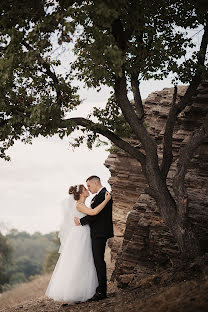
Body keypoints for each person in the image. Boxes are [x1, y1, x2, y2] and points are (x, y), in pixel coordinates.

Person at [45, 184, 111, 304]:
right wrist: (106, 200)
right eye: (85, 189)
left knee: (84, 261)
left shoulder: (82, 204)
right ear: (80, 193)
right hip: (81, 235)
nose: (87, 190)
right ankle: (76, 292)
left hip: (83, 233)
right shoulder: (79, 205)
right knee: (80, 260)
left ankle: (84, 291)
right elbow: (94, 212)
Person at [74, 176, 114, 301]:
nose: (88, 188)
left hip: (100, 233)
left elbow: (95, 215)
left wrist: (81, 221)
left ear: (95, 182)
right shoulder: (98, 196)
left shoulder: (104, 194)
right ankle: (98, 289)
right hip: (96, 233)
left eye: (89, 186)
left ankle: (102, 291)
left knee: (99, 261)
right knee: (97, 261)